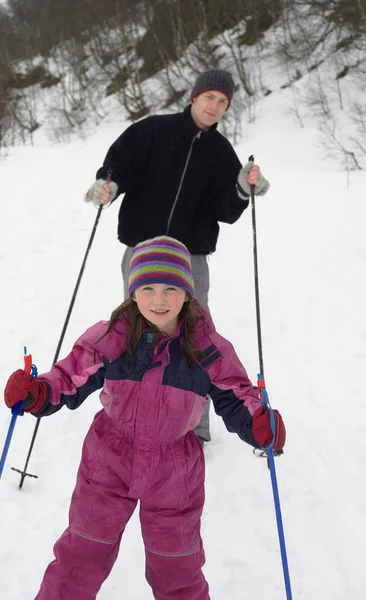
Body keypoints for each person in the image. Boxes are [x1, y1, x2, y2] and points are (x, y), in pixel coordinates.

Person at [4, 236, 286, 600]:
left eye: (171, 289)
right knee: (82, 554)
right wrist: (39, 392)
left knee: (177, 568)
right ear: (132, 291)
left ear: (187, 293)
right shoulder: (111, 338)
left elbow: (237, 394)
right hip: (109, 459)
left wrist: (259, 423)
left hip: (175, 471)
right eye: (148, 288)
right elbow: (69, 376)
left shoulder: (205, 347)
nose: (158, 299)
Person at [84, 68, 270, 444]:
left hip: (190, 258)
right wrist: (108, 183)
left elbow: (226, 209)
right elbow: (121, 162)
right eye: (209, 98)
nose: (214, 106)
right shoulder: (154, 130)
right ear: (194, 96)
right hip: (143, 251)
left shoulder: (221, 153)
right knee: (135, 330)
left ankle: (192, 427)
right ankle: (128, 412)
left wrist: (242, 188)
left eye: (222, 102)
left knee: (193, 335)